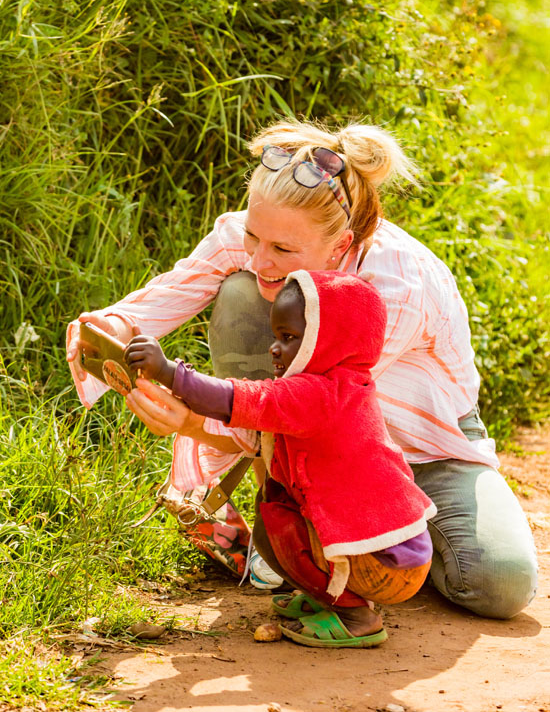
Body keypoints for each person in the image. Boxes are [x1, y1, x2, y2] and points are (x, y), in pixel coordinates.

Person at [66, 119, 538, 619]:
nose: (262, 257)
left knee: (498, 584)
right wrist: (112, 328)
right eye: (253, 237)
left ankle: (384, 552)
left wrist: (189, 422)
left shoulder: (393, 288)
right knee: (241, 291)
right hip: (323, 448)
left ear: (341, 245)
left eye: (283, 250)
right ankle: (313, 530)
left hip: (426, 446)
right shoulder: (262, 236)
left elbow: (312, 411)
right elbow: (167, 295)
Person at [124, 270, 436, 647]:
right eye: (277, 336)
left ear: (330, 342)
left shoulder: (320, 393)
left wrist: (168, 372)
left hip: (385, 562)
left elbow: (237, 399)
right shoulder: (347, 385)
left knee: (275, 515)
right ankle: (330, 595)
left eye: (289, 338)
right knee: (275, 503)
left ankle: (357, 616)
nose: (274, 348)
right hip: (393, 551)